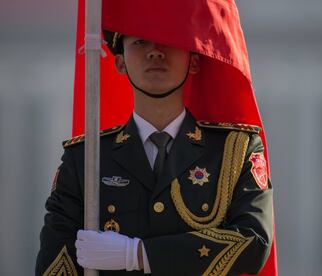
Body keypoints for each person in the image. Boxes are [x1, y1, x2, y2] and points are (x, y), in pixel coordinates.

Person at [36, 1, 276, 275]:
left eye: (169, 42)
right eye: (140, 42)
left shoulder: (234, 151)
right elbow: (53, 264)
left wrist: (137, 255)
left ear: (194, 61)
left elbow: (253, 241)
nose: (155, 53)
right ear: (120, 63)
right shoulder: (86, 159)